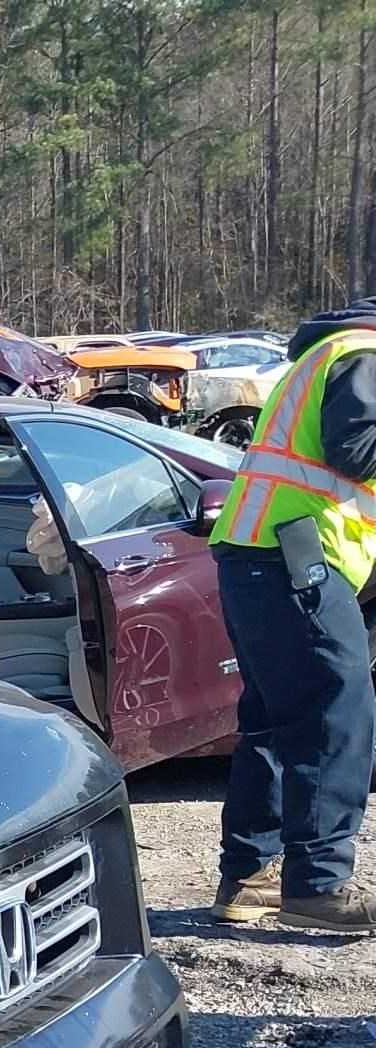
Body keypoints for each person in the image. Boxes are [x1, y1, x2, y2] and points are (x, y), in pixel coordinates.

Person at [209, 300, 376, 935]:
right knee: (340, 710)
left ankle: (247, 878)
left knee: (276, 718)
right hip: (294, 557)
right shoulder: (363, 354)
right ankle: (318, 884)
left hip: (262, 554)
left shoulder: (328, 352)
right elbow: (355, 451)